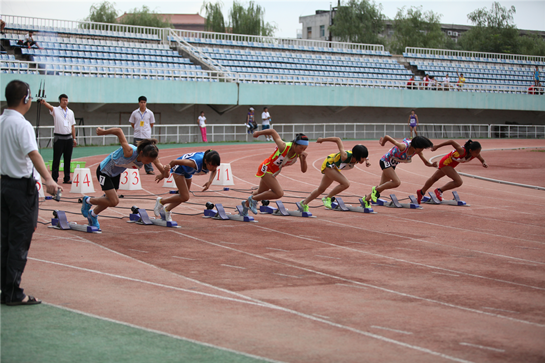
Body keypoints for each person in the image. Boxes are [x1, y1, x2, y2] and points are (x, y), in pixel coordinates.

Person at [0, 80, 61, 306]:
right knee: (19, 240)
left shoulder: (1, 121)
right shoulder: (22, 125)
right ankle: (14, 292)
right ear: (26, 99)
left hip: (4, 185)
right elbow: (33, 154)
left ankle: (5, 288)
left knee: (4, 239)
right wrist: (48, 179)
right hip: (20, 189)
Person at [81, 128, 166, 230]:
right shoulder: (129, 151)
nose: (148, 163)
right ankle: (88, 201)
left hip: (116, 174)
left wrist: (165, 172)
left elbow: (164, 173)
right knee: (113, 201)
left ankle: (93, 214)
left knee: (109, 200)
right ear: (141, 152)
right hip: (104, 170)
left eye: (150, 161)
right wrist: (103, 132)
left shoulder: (151, 157)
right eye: (147, 160)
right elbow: (119, 131)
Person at [241, 130, 308, 216]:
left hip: (274, 172)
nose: (302, 150)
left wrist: (304, 160)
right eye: (301, 148)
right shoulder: (284, 147)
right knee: (279, 193)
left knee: (261, 192)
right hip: (266, 168)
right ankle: (253, 199)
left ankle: (245, 207)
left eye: (305, 149)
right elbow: (272, 132)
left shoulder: (299, 154)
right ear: (294, 144)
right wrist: (257, 133)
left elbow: (303, 170)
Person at [362, 135, 436, 208]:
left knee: (383, 185)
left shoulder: (417, 151)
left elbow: (426, 163)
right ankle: (376, 189)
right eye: (421, 148)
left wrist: (432, 165)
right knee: (396, 182)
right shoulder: (403, 147)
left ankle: (366, 199)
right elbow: (387, 137)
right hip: (385, 161)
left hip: (392, 165)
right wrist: (382, 143)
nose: (422, 150)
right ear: (415, 146)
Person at [299, 137, 370, 211]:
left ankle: (304, 203)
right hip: (329, 165)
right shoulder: (345, 156)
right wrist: (322, 140)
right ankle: (327, 198)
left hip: (334, 168)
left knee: (321, 189)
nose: (364, 159)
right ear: (357, 155)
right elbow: (338, 139)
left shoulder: (358, 157)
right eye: (363, 158)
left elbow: (366, 156)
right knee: (345, 184)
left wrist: (367, 161)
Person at [154, 150, 220, 222]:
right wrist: (163, 174)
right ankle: (161, 201)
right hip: (179, 169)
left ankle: (166, 209)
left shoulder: (210, 160)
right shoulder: (194, 163)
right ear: (205, 161)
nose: (214, 168)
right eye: (212, 166)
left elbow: (214, 170)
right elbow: (173, 162)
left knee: (183, 197)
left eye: (216, 166)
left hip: (188, 171)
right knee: (185, 196)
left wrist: (209, 182)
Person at [416, 139, 487, 204]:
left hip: (450, 165)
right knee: (458, 182)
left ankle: (421, 192)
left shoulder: (475, 154)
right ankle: (439, 190)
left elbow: (482, 159)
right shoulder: (462, 151)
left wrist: (483, 162)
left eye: (479, 152)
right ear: (470, 150)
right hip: (446, 163)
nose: (478, 154)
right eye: (477, 152)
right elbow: (451, 141)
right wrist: (437, 146)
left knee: (434, 178)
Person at [40, 94, 77, 184]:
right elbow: (50, 107)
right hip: (59, 138)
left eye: (66, 100)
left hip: (68, 138)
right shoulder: (56, 110)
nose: (65, 101)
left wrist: (74, 138)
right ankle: (54, 178)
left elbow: (72, 126)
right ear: (60, 101)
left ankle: (67, 178)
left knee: (68, 159)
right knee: (56, 159)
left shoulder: (71, 112)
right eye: (63, 100)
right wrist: (44, 103)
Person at [129, 96, 155, 174]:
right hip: (137, 135)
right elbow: (132, 123)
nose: (143, 104)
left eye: (144, 102)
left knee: (148, 152)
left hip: (146, 136)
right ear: (139, 103)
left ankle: (149, 169)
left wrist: (146, 130)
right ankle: (135, 169)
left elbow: (151, 123)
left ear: (146, 103)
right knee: (136, 152)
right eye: (141, 102)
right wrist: (137, 129)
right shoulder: (134, 113)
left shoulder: (150, 113)